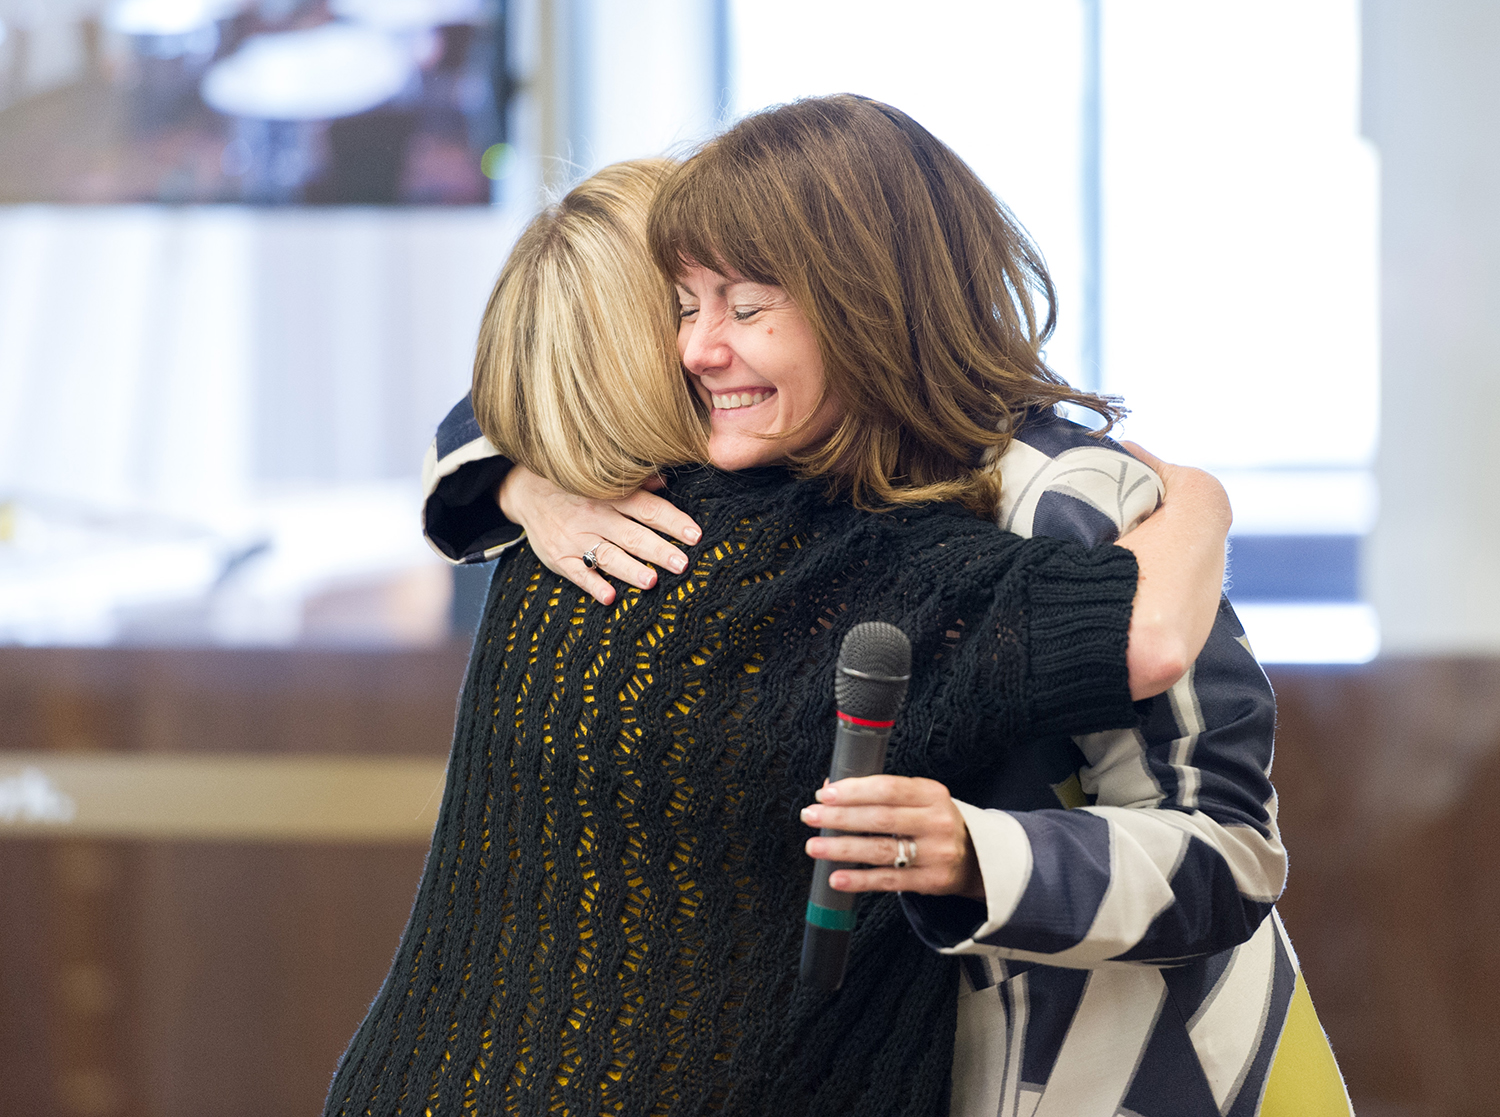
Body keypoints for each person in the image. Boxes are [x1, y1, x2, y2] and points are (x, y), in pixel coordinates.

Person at [413, 98, 1352, 1115]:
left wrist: (975, 852)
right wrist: (521, 482)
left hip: (1103, 1075)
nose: (693, 350)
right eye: (685, 306)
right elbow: (530, 381)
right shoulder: (764, 473)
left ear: (862, 300)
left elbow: (1229, 852)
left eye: (745, 304)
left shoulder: (1071, 501)